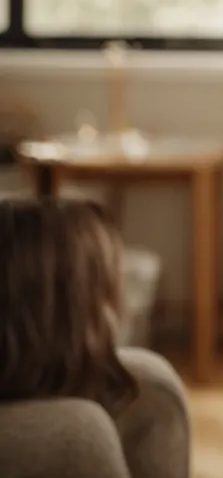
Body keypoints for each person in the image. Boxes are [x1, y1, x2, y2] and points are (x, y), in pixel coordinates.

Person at [0, 197, 191, 478]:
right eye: (103, 296)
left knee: (150, 385)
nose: (121, 310)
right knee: (82, 430)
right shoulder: (78, 437)